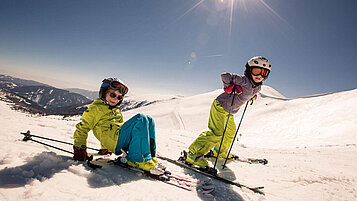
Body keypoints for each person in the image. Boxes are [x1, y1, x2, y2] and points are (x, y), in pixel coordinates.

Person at [186, 56, 271, 168]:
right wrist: (228, 87)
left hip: (230, 112)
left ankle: (219, 152)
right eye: (256, 71)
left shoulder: (258, 87)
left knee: (230, 133)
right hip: (220, 106)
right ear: (249, 71)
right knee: (217, 133)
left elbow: (250, 92)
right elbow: (225, 76)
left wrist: (251, 97)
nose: (259, 76)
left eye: (263, 73)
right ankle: (193, 154)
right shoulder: (243, 80)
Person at [73, 78, 162, 174]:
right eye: (112, 95)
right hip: (115, 142)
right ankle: (138, 160)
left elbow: (108, 129)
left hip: (118, 140)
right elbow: (83, 128)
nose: (115, 99)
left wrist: (104, 149)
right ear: (104, 93)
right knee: (141, 118)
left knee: (149, 120)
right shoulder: (96, 108)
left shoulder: (115, 111)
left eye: (119, 97)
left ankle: (150, 156)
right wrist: (79, 147)